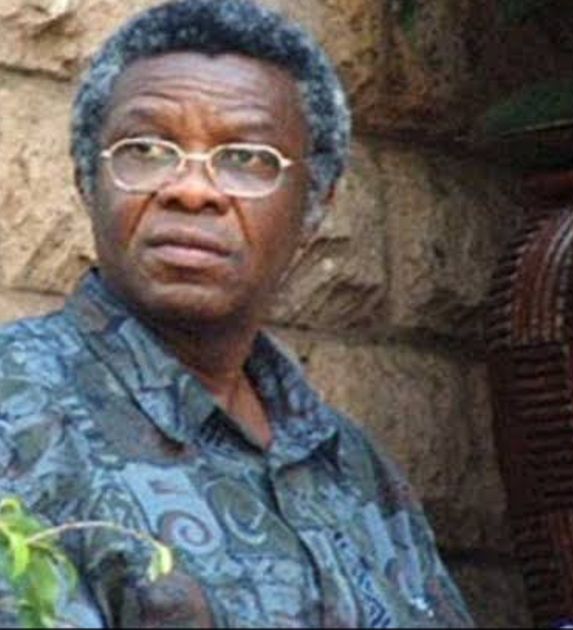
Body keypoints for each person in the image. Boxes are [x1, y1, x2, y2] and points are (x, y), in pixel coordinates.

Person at [0, 0, 473, 626]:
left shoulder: (352, 464)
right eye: (147, 149)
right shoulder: (17, 415)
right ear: (88, 179)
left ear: (315, 206)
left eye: (246, 158)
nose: (191, 189)